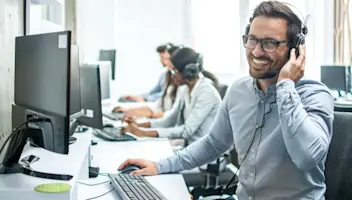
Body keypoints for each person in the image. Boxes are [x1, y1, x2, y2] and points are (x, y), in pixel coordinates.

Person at [118, 1, 335, 199]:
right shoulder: (239, 90)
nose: (256, 52)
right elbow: (213, 144)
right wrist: (159, 166)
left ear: (295, 49)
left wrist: (286, 86)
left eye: (270, 43)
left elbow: (307, 157)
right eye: (252, 40)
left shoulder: (315, 96)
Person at [120, 47, 222, 145]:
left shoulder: (206, 92)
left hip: (208, 156)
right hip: (191, 148)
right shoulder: (184, 89)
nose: (172, 75)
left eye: (174, 71)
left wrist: (143, 133)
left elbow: (187, 131)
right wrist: (138, 125)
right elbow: (170, 120)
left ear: (188, 73)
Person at [114, 45, 182, 118]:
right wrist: (133, 102)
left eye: (166, 59)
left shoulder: (180, 86)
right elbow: (155, 96)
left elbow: (171, 115)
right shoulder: (166, 75)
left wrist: (144, 101)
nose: (164, 61)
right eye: (162, 58)